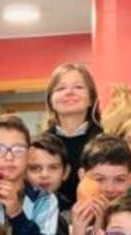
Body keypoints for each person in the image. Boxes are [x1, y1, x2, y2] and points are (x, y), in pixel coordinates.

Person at [44, 63, 103, 206]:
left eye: (78, 87)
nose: (69, 92)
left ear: (91, 98)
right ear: (51, 101)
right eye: (61, 88)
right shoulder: (40, 146)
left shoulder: (106, 142)